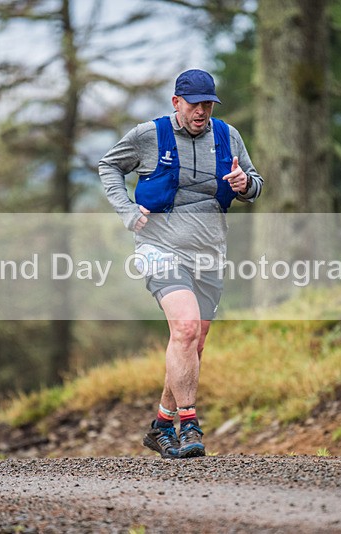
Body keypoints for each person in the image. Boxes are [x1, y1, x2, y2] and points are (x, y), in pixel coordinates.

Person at [98, 69, 263, 459]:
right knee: (186, 329)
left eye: (208, 104)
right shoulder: (148, 135)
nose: (202, 111)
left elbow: (254, 182)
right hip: (159, 247)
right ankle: (188, 424)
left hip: (210, 252)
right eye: (195, 104)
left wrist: (245, 185)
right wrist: (125, 210)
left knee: (193, 342)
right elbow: (108, 166)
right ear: (176, 103)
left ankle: (161, 425)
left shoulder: (228, 135)